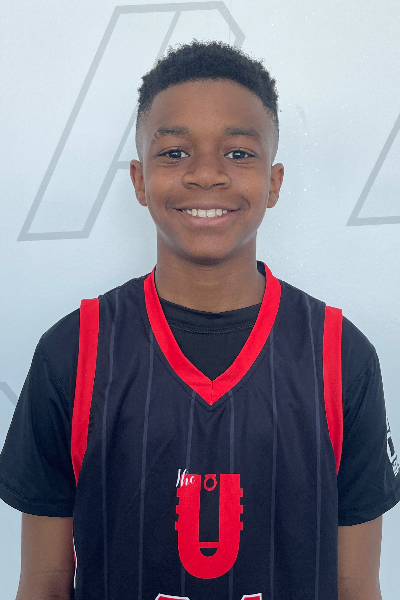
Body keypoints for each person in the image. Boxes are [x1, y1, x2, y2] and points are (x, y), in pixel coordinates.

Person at [0, 41, 399, 600]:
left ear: (274, 182)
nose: (206, 174)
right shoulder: (73, 351)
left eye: (237, 153)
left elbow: (357, 585)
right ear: (139, 180)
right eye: (174, 152)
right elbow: (42, 582)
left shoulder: (341, 356)